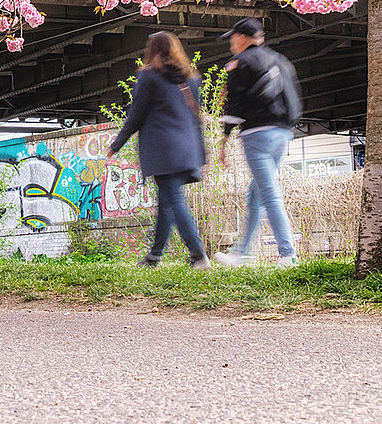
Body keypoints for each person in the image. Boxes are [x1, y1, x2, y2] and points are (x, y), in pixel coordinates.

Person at [107, 31, 211, 270]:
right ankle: (154, 256)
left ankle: (198, 255)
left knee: (174, 201)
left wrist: (117, 143)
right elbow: (197, 119)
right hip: (188, 150)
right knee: (166, 203)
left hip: (164, 150)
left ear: (152, 50)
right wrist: (202, 155)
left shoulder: (149, 77)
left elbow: (136, 114)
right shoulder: (191, 78)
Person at [215, 17, 304, 268]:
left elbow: (234, 103)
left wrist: (224, 139)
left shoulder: (239, 63)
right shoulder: (281, 60)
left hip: (257, 135)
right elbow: (293, 97)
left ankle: (288, 254)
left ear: (242, 38)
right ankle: (241, 252)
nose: (231, 43)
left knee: (269, 193)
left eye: (233, 38)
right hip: (282, 133)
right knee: (255, 193)